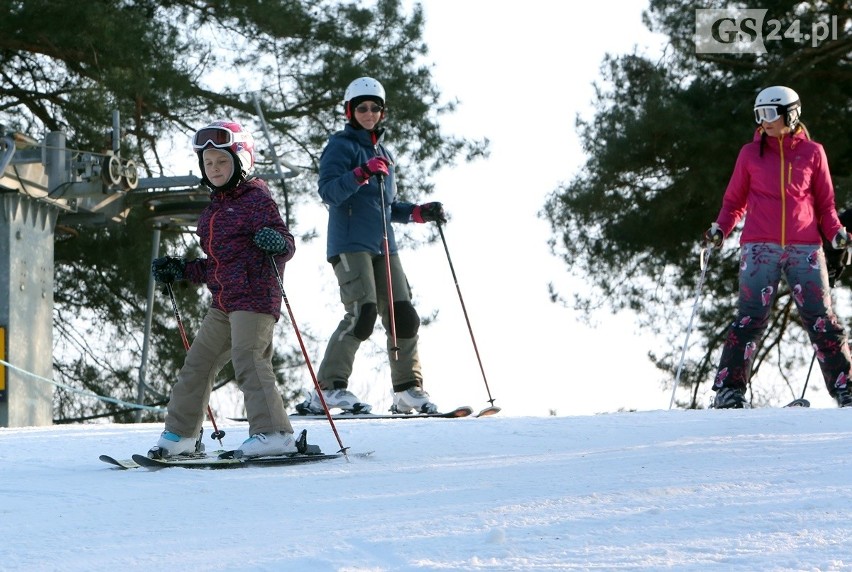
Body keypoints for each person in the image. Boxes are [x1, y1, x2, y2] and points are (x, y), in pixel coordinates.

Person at [296, 76, 447, 415]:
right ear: (350, 111)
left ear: (382, 112)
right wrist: (361, 172)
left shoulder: (383, 153)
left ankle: (408, 390)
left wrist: (419, 213)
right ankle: (328, 389)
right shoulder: (341, 146)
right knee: (362, 313)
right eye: (361, 108)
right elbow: (329, 192)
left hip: (384, 245)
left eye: (375, 108)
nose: (369, 113)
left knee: (403, 315)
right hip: (350, 243)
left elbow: (386, 205)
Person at [149, 120, 299, 457]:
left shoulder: (257, 199)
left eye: (222, 161)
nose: (214, 168)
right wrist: (181, 269)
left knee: (248, 358)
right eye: (208, 162)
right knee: (197, 364)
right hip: (224, 302)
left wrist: (276, 243)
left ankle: (274, 433)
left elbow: (286, 243)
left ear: (241, 161)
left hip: (256, 297)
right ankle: (182, 435)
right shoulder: (212, 211)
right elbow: (216, 265)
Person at [704, 86, 852, 409]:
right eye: (759, 115)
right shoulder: (749, 154)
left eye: (770, 114)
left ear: (791, 114)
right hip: (760, 247)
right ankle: (729, 391)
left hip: (805, 247)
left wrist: (837, 234)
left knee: (822, 319)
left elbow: (826, 206)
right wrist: (720, 229)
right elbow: (733, 202)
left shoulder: (813, 153)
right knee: (750, 318)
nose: (764, 122)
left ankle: (846, 388)